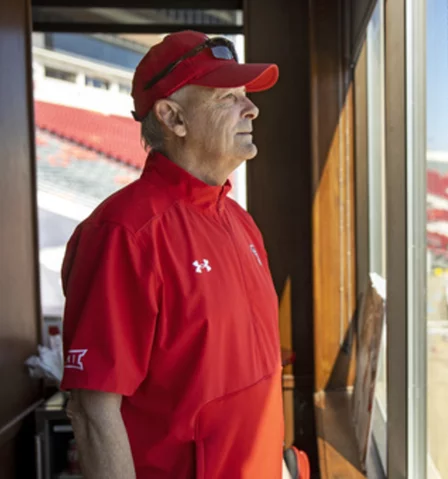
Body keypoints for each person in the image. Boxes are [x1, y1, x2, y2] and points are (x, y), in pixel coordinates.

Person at [60, 30, 285, 478]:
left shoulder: (241, 224)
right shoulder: (124, 233)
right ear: (173, 117)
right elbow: (93, 414)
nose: (251, 108)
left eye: (245, 95)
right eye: (227, 98)